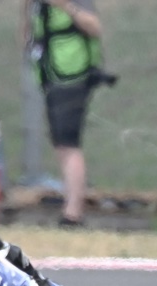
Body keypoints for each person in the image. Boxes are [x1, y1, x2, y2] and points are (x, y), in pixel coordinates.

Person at [25, 0, 107, 227]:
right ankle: (70, 209)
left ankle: (73, 213)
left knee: (69, 143)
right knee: (61, 144)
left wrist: (65, 6)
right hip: (51, 76)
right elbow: (29, 30)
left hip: (72, 75)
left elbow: (94, 26)